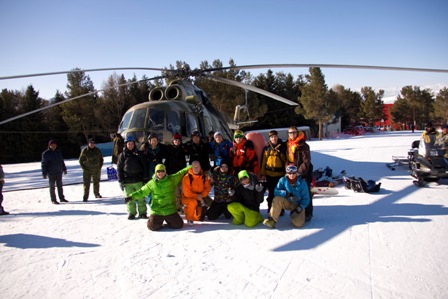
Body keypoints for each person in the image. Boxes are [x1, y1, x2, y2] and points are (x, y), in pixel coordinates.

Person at [125, 164, 191, 231]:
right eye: (158, 171)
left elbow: (181, 173)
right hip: (157, 210)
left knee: (178, 225)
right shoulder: (151, 183)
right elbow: (142, 192)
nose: (160, 173)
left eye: (162, 171)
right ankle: (153, 219)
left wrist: (192, 166)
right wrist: (131, 196)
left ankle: (168, 219)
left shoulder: (171, 179)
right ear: (156, 172)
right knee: (152, 227)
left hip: (170, 209)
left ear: (165, 171)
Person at [117, 136, 148, 220]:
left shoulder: (139, 154)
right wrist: (121, 180)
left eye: (132, 144)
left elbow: (145, 166)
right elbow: (119, 168)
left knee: (141, 198)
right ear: (126, 144)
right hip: (127, 180)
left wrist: (145, 178)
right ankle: (132, 213)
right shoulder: (122, 155)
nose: (130, 145)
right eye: (129, 144)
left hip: (138, 179)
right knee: (129, 198)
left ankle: (142, 212)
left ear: (134, 144)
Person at [286, 126, 314, 221]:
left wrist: (299, 173)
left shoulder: (303, 145)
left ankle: (308, 213)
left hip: (302, 173)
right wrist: (288, 171)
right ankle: (297, 212)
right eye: (290, 133)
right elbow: (287, 159)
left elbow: (306, 162)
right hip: (291, 172)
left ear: (297, 133)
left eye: (294, 132)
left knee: (305, 193)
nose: (292, 134)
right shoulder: (288, 144)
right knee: (294, 193)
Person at [260, 130, 287, 215]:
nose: (274, 138)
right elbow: (263, 162)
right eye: (272, 137)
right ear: (270, 139)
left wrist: (287, 174)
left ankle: (281, 210)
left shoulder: (283, 147)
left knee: (280, 193)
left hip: (280, 175)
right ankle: (270, 209)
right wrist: (263, 174)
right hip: (269, 175)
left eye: (275, 136)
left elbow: (286, 161)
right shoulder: (266, 149)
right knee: (271, 193)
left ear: (277, 137)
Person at [181, 161, 212, 226]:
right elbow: (187, 193)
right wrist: (198, 197)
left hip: (201, 196)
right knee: (193, 202)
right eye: (194, 167)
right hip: (188, 198)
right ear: (191, 167)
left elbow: (207, 188)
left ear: (200, 167)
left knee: (211, 204)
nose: (196, 169)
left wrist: (202, 196)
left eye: (197, 167)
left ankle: (197, 210)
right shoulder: (187, 178)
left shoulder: (204, 177)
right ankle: (189, 218)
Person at [164, 133, 187, 211]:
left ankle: (183, 205)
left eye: (178, 140)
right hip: (172, 174)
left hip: (181, 173)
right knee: (176, 192)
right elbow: (166, 161)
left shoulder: (182, 149)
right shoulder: (169, 149)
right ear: (173, 141)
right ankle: (177, 207)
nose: (177, 142)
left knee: (183, 191)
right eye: (175, 140)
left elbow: (184, 161)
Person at [41, 140, 68, 205]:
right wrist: (44, 173)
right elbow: (44, 164)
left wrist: (64, 169)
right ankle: (53, 199)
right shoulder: (46, 153)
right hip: (51, 173)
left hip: (59, 171)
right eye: (52, 145)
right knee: (52, 187)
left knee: (60, 186)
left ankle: (61, 198)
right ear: (49, 146)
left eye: (54, 145)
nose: (53, 146)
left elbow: (61, 161)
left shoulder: (58, 152)